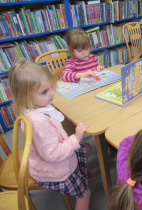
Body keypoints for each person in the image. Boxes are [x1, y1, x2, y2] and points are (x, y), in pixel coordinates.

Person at [8, 60, 95, 210]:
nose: (52, 93)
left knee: (86, 148)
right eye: (44, 92)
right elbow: (52, 155)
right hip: (55, 172)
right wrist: (76, 137)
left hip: (51, 162)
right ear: (25, 96)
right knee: (85, 194)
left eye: (51, 87)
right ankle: (79, 183)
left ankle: (81, 176)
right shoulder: (39, 121)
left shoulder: (32, 107)